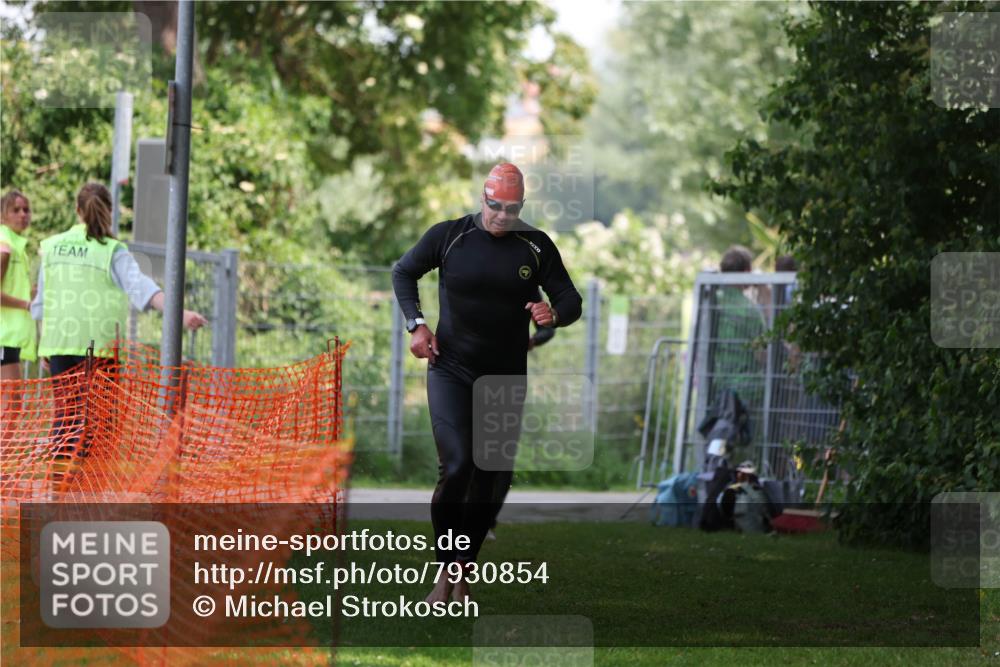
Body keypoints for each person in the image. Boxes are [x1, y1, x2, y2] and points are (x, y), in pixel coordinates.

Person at [392, 163, 582, 603]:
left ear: (521, 207)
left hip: (505, 376)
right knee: (457, 466)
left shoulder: (535, 246)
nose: (501, 215)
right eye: (495, 206)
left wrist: (555, 315)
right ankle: (445, 572)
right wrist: (417, 326)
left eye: (511, 209)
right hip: (451, 368)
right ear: (483, 199)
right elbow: (403, 272)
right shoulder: (450, 235)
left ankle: (462, 570)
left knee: (490, 477)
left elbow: (570, 299)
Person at [31, 182, 207, 485]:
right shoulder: (112, 251)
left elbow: (41, 304)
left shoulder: (52, 246)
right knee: (99, 424)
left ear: (77, 210)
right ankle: (88, 492)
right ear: (109, 211)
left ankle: (59, 492)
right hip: (99, 349)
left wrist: (44, 345)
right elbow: (144, 290)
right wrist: (181, 314)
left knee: (66, 420)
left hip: (59, 344)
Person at [1, 189, 38, 439]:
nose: (23, 215)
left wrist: (34, 293)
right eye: (16, 209)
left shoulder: (16, 244)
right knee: (10, 408)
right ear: (3, 214)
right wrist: (26, 304)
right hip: (3, 337)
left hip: (11, 338)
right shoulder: (5, 246)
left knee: (12, 407)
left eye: (26, 209)